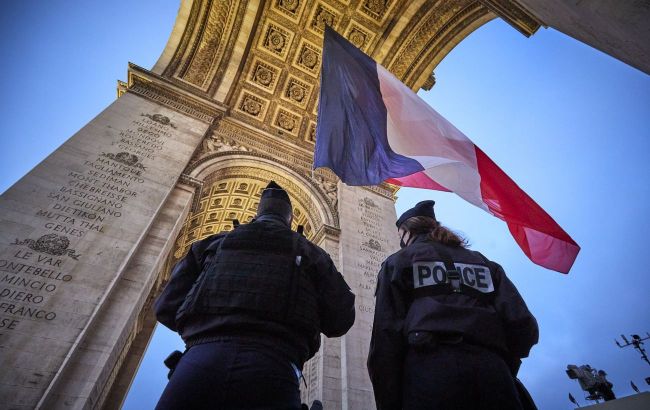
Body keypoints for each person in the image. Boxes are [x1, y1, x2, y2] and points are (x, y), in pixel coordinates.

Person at [155, 181, 355, 409]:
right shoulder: (311, 252)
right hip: (273, 370)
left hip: (198, 364)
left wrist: (203, 330)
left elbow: (165, 307)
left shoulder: (212, 244)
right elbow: (341, 320)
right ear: (289, 220)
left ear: (256, 214)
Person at [368, 200, 539, 410]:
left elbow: (386, 335)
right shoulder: (484, 263)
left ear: (406, 232)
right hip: (493, 372)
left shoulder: (399, 262)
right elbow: (523, 325)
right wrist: (500, 363)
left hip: (430, 374)